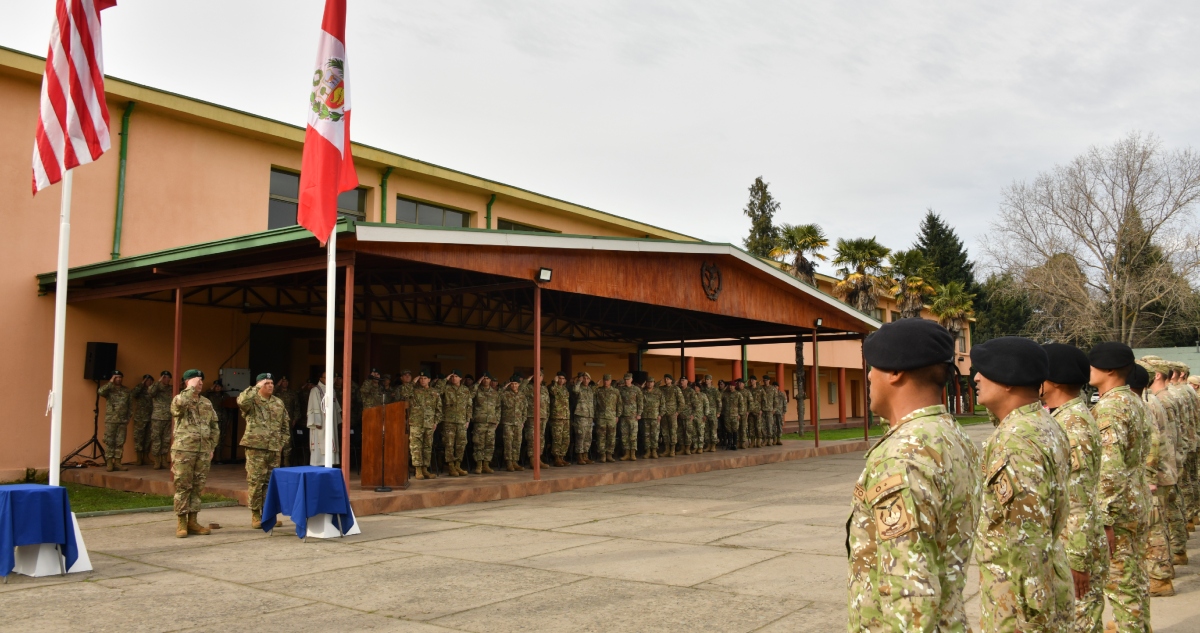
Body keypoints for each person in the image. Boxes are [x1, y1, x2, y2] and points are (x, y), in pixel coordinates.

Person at [847, 318, 980, 632]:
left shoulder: (902, 455)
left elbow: (909, 590)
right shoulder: (951, 436)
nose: (869, 376)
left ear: (895, 371)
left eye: (873, 366)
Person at [973, 336, 1072, 632]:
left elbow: (1028, 536)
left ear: (1008, 378)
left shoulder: (1014, 440)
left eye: (984, 370)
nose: (976, 377)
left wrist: (1030, 617)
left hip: (1015, 603)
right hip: (1045, 579)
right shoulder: (1045, 423)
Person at [1041, 343, 1108, 632]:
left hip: (1075, 546)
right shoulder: (1066, 417)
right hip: (1072, 541)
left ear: (1054, 380)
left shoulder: (1072, 425)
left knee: (1080, 623)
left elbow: (1079, 498)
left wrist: (1078, 560)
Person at [1089, 341, 1151, 633]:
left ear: (1109, 370)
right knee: (1135, 579)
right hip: (1136, 499)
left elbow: (1110, 468)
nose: (1088, 369)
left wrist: (1105, 517)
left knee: (1121, 584)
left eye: (1093, 364)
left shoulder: (1110, 408)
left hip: (1120, 508)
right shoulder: (1134, 401)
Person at [1127, 362, 1175, 597]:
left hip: (1153, 476)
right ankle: (1161, 572)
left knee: (1153, 528)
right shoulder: (1148, 402)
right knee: (1157, 525)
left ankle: (1160, 577)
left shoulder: (1145, 405)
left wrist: (1148, 477)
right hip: (1159, 472)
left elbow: (1153, 442)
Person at [170, 369, 220, 538]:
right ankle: (181, 522)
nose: (200, 383)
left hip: (203, 451)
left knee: (197, 487)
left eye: (201, 380)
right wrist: (189, 389)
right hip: (184, 450)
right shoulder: (180, 399)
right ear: (187, 382)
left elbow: (214, 426)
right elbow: (177, 408)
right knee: (183, 486)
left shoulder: (206, 403)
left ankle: (193, 521)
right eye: (196, 380)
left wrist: (211, 447)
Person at [237, 373, 290, 529]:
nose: (271, 385)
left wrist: (281, 443)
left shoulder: (278, 402)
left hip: (274, 449)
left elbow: (285, 426)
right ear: (259, 385)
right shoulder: (252, 400)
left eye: (272, 383)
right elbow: (242, 401)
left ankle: (268, 515)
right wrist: (255, 388)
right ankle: (255, 515)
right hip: (256, 448)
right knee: (256, 481)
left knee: (270, 482)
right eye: (267, 383)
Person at [409, 372, 442, 479]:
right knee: (416, 447)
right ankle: (418, 470)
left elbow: (439, 409)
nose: (422, 380)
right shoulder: (414, 391)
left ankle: (425, 469)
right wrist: (413, 382)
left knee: (427, 447)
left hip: (429, 423)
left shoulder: (435, 392)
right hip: (416, 423)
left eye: (425, 378)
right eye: (421, 378)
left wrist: (435, 422)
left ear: (429, 380)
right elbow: (404, 393)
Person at [97, 370, 132, 472]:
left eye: (120, 377)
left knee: (120, 442)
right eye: (116, 377)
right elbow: (100, 391)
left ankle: (118, 463)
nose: (119, 379)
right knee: (110, 441)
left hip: (122, 421)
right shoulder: (109, 389)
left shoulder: (126, 390)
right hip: (111, 420)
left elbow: (130, 406)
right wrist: (110, 382)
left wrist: (128, 417)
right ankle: (109, 463)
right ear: (113, 378)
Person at [306, 372, 341, 467]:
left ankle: (331, 463)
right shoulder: (315, 390)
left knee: (331, 439)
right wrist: (317, 421)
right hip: (320, 423)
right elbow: (313, 406)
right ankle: (319, 464)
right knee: (320, 441)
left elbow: (336, 407)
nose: (329, 379)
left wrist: (336, 420)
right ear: (321, 378)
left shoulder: (332, 390)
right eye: (326, 377)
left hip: (331, 422)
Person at [440, 370, 471, 477]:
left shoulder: (465, 390)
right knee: (449, 444)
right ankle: (451, 466)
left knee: (461, 443)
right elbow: (437, 390)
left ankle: (458, 465)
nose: (454, 378)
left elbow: (469, 405)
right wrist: (445, 379)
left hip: (462, 421)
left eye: (456, 376)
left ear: (461, 378)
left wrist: (468, 419)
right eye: (452, 376)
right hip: (449, 421)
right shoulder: (446, 388)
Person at [520, 370, 551, 469]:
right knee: (532, 438)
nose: (538, 377)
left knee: (541, 438)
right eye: (536, 376)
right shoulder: (529, 387)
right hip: (532, 416)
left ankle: (538, 458)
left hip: (542, 416)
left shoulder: (544, 388)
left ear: (542, 377)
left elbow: (547, 403)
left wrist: (547, 415)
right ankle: (532, 459)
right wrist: (527, 379)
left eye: (540, 376)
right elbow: (520, 389)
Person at [471, 374, 500, 474]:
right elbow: (470, 395)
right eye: (484, 378)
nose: (485, 380)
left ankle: (486, 465)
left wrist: (497, 420)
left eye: (487, 378)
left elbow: (498, 407)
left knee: (490, 444)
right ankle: (479, 465)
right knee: (479, 444)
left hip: (491, 422)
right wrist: (477, 383)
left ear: (490, 380)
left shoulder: (495, 393)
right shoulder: (477, 390)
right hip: (480, 421)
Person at [147, 371, 175, 470]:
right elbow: (150, 392)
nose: (167, 379)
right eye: (165, 377)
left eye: (168, 377)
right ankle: (157, 461)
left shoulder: (171, 388)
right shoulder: (156, 388)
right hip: (157, 418)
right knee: (156, 439)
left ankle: (164, 460)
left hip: (168, 418)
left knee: (166, 440)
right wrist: (158, 382)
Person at [500, 376, 527, 471]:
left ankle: (515, 461)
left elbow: (524, 409)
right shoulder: (505, 394)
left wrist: (523, 421)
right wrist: (504, 387)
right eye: (512, 384)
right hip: (508, 422)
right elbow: (497, 396)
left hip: (518, 422)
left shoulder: (522, 395)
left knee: (517, 442)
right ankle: (509, 462)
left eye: (515, 384)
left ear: (519, 384)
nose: (514, 385)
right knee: (508, 442)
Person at [594, 374, 621, 463]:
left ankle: (609, 454)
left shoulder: (615, 391)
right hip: (601, 417)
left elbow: (619, 404)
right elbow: (594, 404)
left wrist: (617, 415)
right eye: (605, 380)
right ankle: (602, 455)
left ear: (610, 381)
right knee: (601, 437)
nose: (606, 382)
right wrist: (595, 415)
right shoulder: (598, 391)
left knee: (611, 437)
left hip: (611, 417)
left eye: (608, 380)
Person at [617, 373, 643, 461]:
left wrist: (639, 413)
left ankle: (633, 453)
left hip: (633, 416)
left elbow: (640, 402)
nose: (626, 381)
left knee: (633, 435)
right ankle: (627, 453)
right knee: (624, 435)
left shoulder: (636, 389)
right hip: (623, 415)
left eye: (628, 379)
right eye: (625, 379)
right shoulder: (621, 390)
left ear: (631, 379)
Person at [570, 372, 596, 464]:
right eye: (584, 378)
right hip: (580, 415)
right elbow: (575, 391)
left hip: (589, 416)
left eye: (587, 379)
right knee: (580, 436)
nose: (585, 380)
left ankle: (585, 455)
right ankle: (579, 456)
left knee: (588, 437)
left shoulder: (590, 389)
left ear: (589, 380)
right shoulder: (578, 388)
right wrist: (578, 382)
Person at [548, 372, 572, 467]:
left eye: (563, 379)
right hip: (557, 417)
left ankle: (562, 456)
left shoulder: (565, 389)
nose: (561, 380)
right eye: (560, 378)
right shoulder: (553, 387)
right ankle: (556, 458)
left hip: (566, 417)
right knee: (557, 438)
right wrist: (554, 382)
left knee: (566, 438)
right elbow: (553, 392)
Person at [130, 373, 154, 466]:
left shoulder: (152, 390)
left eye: (150, 380)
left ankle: (146, 457)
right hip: (140, 418)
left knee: (148, 438)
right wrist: (141, 384)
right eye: (147, 380)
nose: (148, 382)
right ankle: (139, 458)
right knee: (139, 438)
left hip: (151, 418)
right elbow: (133, 394)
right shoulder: (140, 390)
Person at [274, 376, 298, 466]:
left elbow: (297, 407)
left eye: (286, 381)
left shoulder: (292, 393)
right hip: (276, 421)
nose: (285, 383)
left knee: (288, 442)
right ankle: (277, 463)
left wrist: (295, 419)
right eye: (283, 381)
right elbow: (269, 395)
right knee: (276, 441)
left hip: (288, 421)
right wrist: (277, 385)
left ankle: (286, 463)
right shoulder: (276, 393)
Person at [660, 374, 684, 456]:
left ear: (671, 380)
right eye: (665, 379)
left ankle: (673, 449)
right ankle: (667, 449)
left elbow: (681, 402)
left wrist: (677, 412)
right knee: (665, 432)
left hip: (672, 413)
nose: (666, 380)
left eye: (668, 379)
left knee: (673, 431)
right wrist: (659, 382)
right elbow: (654, 387)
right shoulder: (661, 389)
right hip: (664, 413)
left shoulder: (675, 389)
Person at [703, 375, 721, 451]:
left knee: (713, 429)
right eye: (706, 379)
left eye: (708, 379)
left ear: (711, 380)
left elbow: (719, 401)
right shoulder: (703, 390)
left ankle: (713, 445)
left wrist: (718, 412)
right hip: (705, 412)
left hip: (713, 411)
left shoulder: (715, 390)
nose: (706, 381)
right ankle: (708, 445)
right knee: (706, 429)